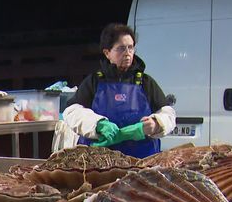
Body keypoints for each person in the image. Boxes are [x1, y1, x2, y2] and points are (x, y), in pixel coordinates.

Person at [62, 23, 175, 158]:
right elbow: (71, 112)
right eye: (121, 48)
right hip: (99, 161)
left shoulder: (145, 82)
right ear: (107, 53)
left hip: (142, 162)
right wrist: (98, 124)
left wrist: (157, 123)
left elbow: (168, 114)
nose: (127, 53)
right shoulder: (94, 81)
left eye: (131, 48)